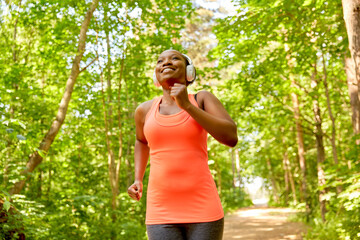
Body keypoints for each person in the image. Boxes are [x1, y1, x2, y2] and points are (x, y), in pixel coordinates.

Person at [127, 49, 238, 240]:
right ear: (156, 75)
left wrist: (186, 105)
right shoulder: (144, 110)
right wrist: (138, 178)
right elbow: (141, 141)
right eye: (160, 61)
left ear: (189, 72)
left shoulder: (201, 99)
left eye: (174, 58)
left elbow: (230, 137)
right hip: (160, 208)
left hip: (203, 205)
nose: (165, 63)